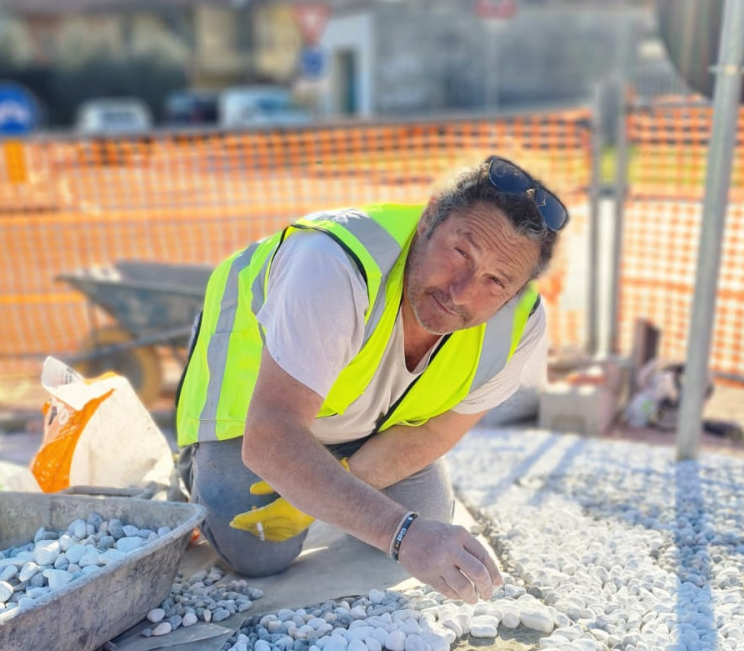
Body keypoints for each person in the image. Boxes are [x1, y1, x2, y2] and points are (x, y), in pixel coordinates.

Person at [175, 155, 568, 603]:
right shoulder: (333, 263)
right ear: (428, 220)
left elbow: (438, 431)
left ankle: (322, 478)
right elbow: (271, 435)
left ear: (515, 292)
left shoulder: (521, 324)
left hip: (356, 426)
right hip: (253, 414)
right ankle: (194, 467)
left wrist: (344, 490)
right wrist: (400, 533)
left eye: (495, 281)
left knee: (429, 517)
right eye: (460, 253)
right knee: (259, 555)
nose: (461, 292)